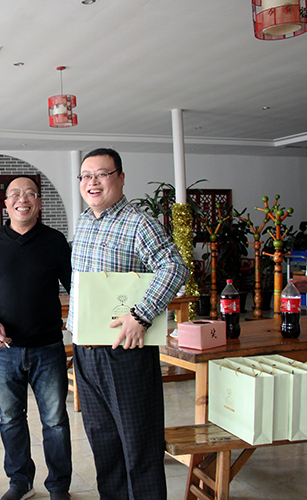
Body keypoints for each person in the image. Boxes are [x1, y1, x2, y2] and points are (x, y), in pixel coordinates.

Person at [68, 148, 188, 500]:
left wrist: (141, 314)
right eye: (86, 176)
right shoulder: (84, 221)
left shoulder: (138, 223)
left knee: (139, 446)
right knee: (104, 444)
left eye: (101, 174)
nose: (92, 182)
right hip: (86, 351)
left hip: (126, 352)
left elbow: (175, 267)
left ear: (120, 178)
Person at [0, 175, 72, 500]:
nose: (22, 199)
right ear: (6, 204)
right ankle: (20, 482)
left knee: (55, 421)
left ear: (38, 203)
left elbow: (75, 286)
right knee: (11, 419)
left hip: (48, 347)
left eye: (30, 193)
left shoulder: (55, 241)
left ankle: (58, 486)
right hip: (5, 349)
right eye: (15, 194)